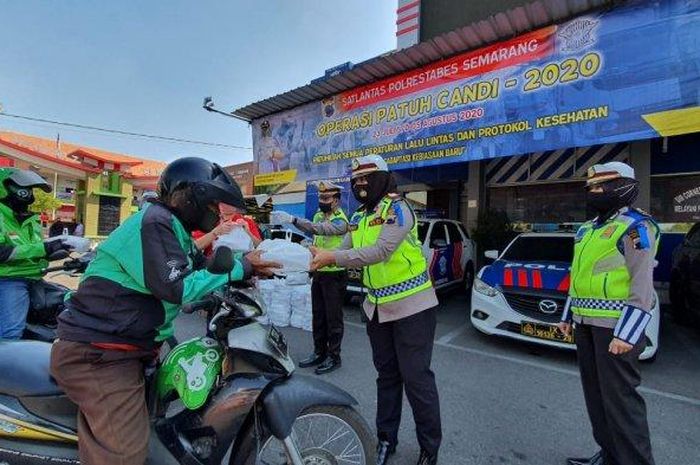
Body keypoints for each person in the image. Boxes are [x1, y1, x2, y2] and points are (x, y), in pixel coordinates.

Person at [50, 157, 279, 465]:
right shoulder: (155, 221)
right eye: (214, 204)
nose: (217, 211)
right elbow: (178, 286)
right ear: (191, 197)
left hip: (125, 348)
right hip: (100, 355)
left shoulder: (173, 228)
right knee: (125, 455)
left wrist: (244, 271)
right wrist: (241, 266)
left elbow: (197, 271)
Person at [311, 155, 441, 465]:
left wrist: (332, 259)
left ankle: (429, 448)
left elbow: (380, 251)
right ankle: (386, 440)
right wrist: (318, 256)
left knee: (416, 379)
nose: (360, 184)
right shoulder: (358, 216)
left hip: (413, 307)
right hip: (378, 308)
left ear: (383, 178)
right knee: (387, 377)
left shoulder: (398, 209)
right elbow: (345, 247)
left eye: (367, 178)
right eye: (355, 180)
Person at [558, 161, 658, 465]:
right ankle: (609, 456)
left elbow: (641, 287)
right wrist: (566, 316)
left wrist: (626, 334)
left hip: (615, 330)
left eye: (602, 186)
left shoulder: (637, 227)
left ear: (623, 187)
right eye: (591, 187)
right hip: (585, 324)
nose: (594, 191)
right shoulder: (587, 230)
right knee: (596, 400)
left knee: (622, 406)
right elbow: (577, 276)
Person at [273, 180, 349, 375]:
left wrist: (293, 219)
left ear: (336, 201)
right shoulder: (317, 215)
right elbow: (315, 233)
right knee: (318, 316)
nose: (322, 201)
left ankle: (334, 356)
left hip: (334, 274)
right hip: (319, 273)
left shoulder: (342, 220)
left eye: (326, 198)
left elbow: (321, 229)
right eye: (320, 197)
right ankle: (319, 352)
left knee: (333, 319)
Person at [0, 168, 74, 339]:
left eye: (31, 190)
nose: (29, 195)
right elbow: (2, 253)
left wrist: (60, 249)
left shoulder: (31, 220)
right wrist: (45, 248)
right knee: (11, 333)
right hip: (9, 280)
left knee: (68, 303)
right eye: (24, 189)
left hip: (35, 278)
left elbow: (35, 250)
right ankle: (8, 363)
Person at [193, 203, 262, 255]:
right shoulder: (207, 222)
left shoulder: (247, 222)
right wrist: (215, 232)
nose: (228, 218)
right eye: (224, 214)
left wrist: (248, 232)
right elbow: (195, 247)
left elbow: (260, 246)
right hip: (214, 265)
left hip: (244, 263)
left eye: (230, 214)